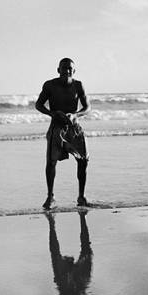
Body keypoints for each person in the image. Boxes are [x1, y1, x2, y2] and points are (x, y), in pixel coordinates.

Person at [35, 58, 90, 209]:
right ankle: (50, 197)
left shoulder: (78, 85)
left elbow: (87, 107)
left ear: (74, 71)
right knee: (51, 162)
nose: (67, 71)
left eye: (70, 69)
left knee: (83, 160)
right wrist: (52, 113)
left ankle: (81, 197)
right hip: (56, 127)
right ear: (58, 70)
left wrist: (76, 115)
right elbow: (38, 104)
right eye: (64, 68)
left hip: (74, 127)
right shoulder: (50, 85)